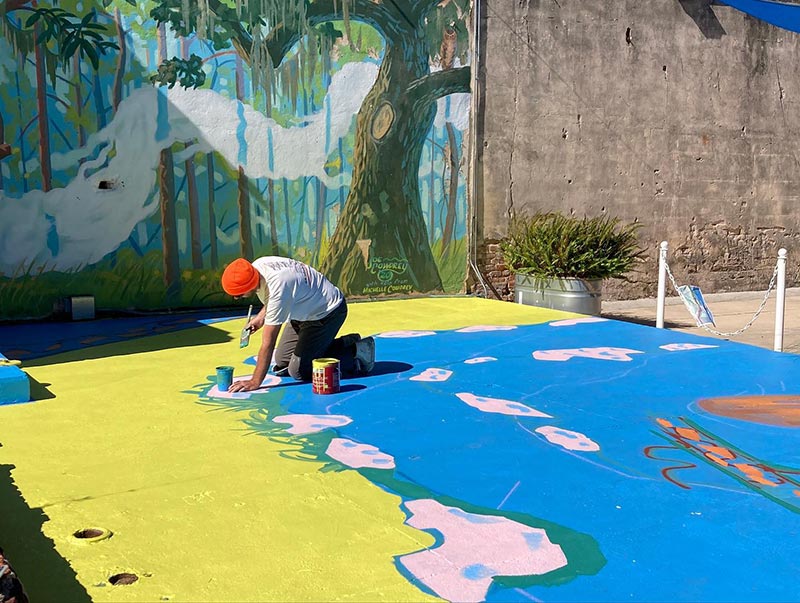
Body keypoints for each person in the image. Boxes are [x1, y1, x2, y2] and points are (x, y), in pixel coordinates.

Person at [220, 257, 375, 392]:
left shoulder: (277, 287)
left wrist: (255, 381)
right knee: (283, 362)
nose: (236, 298)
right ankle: (344, 342)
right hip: (304, 310)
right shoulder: (257, 267)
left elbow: (268, 343)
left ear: (250, 285)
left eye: (238, 295)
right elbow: (276, 297)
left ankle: (356, 350)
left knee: (299, 371)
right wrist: (261, 318)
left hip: (327, 312)